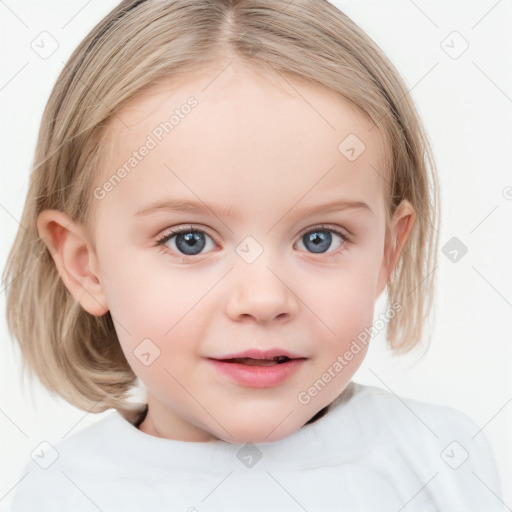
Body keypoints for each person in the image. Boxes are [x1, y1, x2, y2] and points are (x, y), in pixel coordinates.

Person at [2, 0, 503, 510]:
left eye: (319, 239)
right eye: (188, 240)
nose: (263, 299)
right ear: (86, 266)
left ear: (385, 255)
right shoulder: (65, 491)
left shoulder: (438, 459)